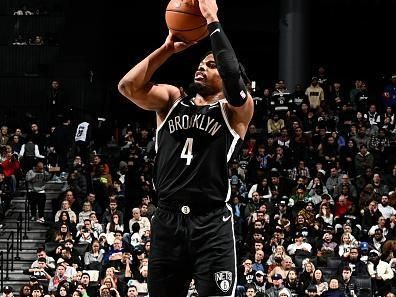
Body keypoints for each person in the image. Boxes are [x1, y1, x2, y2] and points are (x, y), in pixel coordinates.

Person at [118, 0, 253, 296]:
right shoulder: (172, 100)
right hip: (167, 220)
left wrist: (211, 18)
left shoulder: (235, 111)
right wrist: (167, 48)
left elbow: (232, 75)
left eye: (211, 64)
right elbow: (128, 87)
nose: (202, 67)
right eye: (201, 63)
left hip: (212, 223)